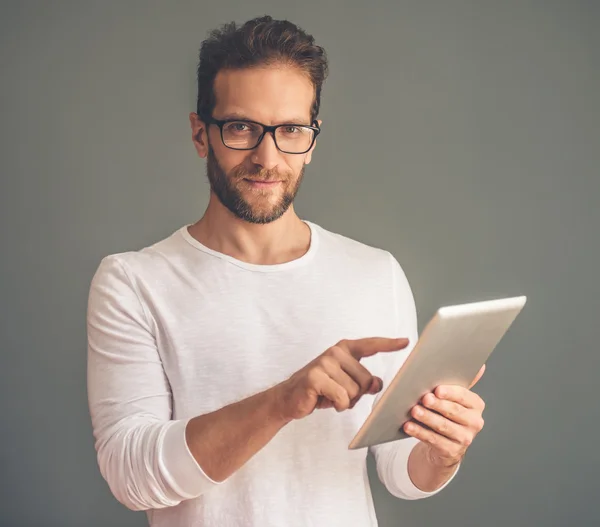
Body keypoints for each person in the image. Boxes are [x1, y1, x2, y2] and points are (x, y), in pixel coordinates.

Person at [86, 15, 486, 527]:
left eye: (290, 129)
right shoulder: (133, 282)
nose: (267, 156)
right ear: (200, 134)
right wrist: (282, 401)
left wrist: (441, 451)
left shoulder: (374, 273)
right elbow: (131, 477)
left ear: (312, 139)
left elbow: (397, 470)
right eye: (241, 128)